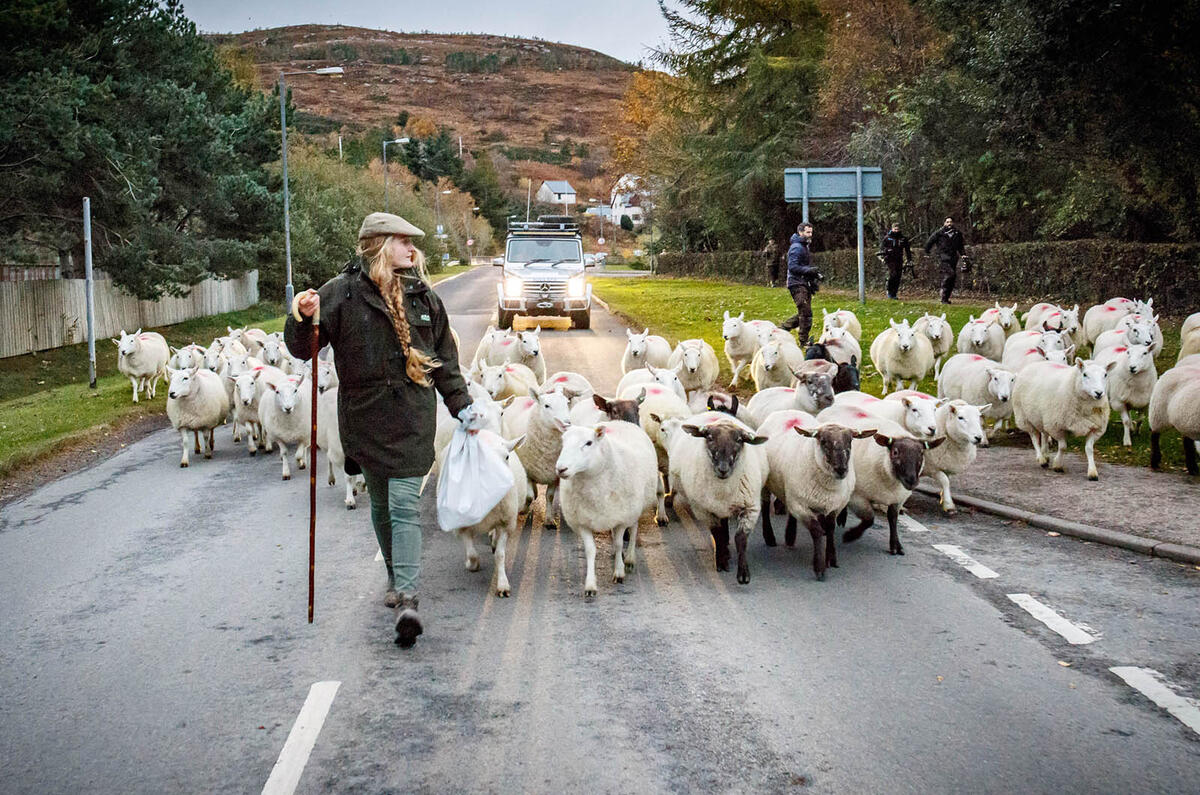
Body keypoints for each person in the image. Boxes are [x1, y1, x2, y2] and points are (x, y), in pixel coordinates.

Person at [286, 212, 474, 648]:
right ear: (379, 244)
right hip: (364, 418)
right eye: (403, 241)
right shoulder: (340, 293)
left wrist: (462, 407)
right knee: (382, 503)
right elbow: (304, 349)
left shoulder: (423, 296)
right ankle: (394, 576)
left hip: (411, 415)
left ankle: (408, 597)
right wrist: (300, 315)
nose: (413, 250)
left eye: (413, 243)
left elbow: (445, 360)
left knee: (405, 503)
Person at [779, 223, 821, 344]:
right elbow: (792, 267)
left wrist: (813, 275)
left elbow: (802, 266)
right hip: (796, 283)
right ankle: (803, 341)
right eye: (808, 232)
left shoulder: (803, 246)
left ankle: (782, 328)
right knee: (806, 313)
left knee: (805, 312)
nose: (810, 235)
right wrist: (809, 270)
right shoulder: (797, 247)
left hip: (803, 282)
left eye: (811, 232)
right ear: (800, 232)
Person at [924, 216, 966, 304]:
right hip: (943, 257)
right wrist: (927, 252)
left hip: (953, 257)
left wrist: (963, 255)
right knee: (950, 274)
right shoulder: (939, 233)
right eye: (947, 222)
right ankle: (943, 295)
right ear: (944, 223)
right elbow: (929, 242)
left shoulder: (957, 233)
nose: (949, 224)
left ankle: (946, 298)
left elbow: (960, 246)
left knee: (953, 277)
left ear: (953, 223)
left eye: (950, 222)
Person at [879, 222, 913, 300]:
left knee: (898, 276)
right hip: (889, 259)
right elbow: (882, 248)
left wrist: (909, 259)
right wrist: (883, 256)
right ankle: (889, 291)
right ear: (892, 229)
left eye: (897, 229)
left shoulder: (903, 238)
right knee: (893, 274)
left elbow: (907, 250)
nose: (896, 231)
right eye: (895, 229)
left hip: (899, 259)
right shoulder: (887, 238)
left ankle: (894, 293)